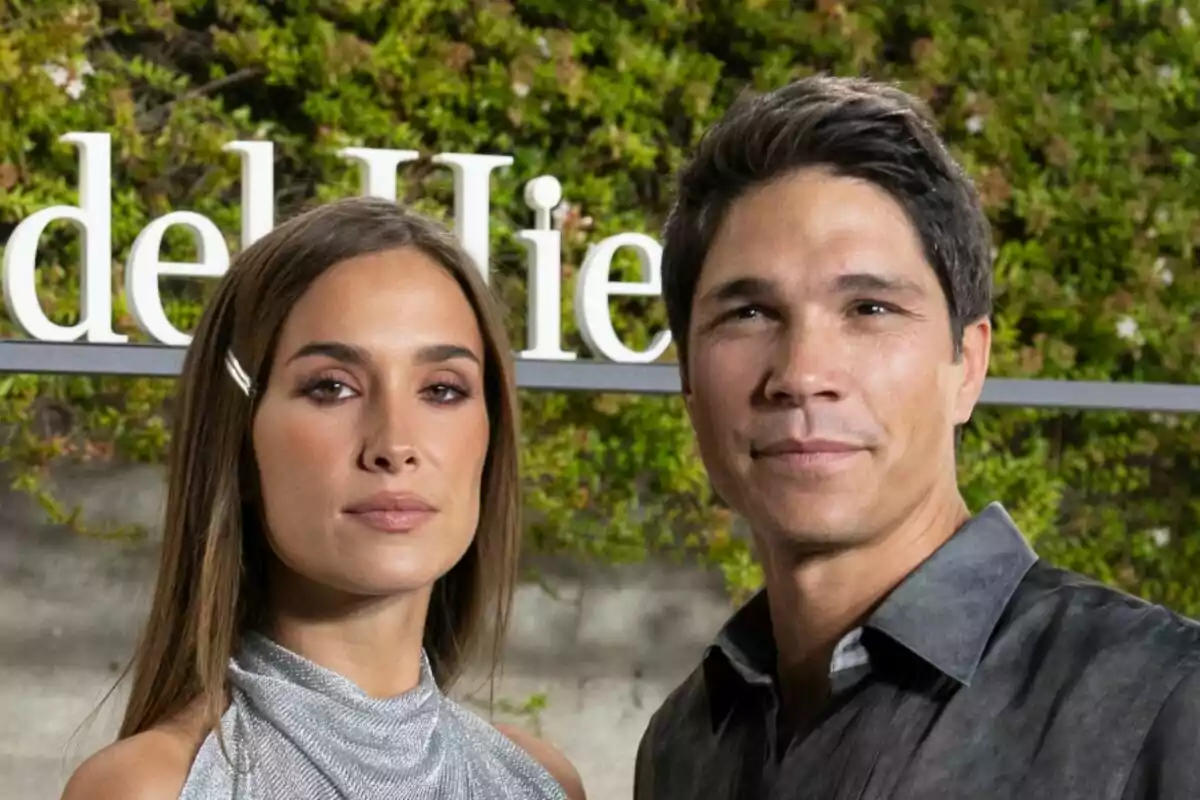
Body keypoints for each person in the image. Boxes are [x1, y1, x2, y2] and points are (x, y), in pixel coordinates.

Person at [634, 75, 1200, 800]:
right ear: (687, 380)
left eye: (868, 307)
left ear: (968, 363)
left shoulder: (1162, 701)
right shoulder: (685, 745)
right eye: (748, 314)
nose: (803, 374)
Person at [62, 197, 586, 800]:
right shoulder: (150, 789)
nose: (394, 444)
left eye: (441, 390)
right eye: (332, 387)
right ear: (238, 439)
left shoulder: (540, 784)